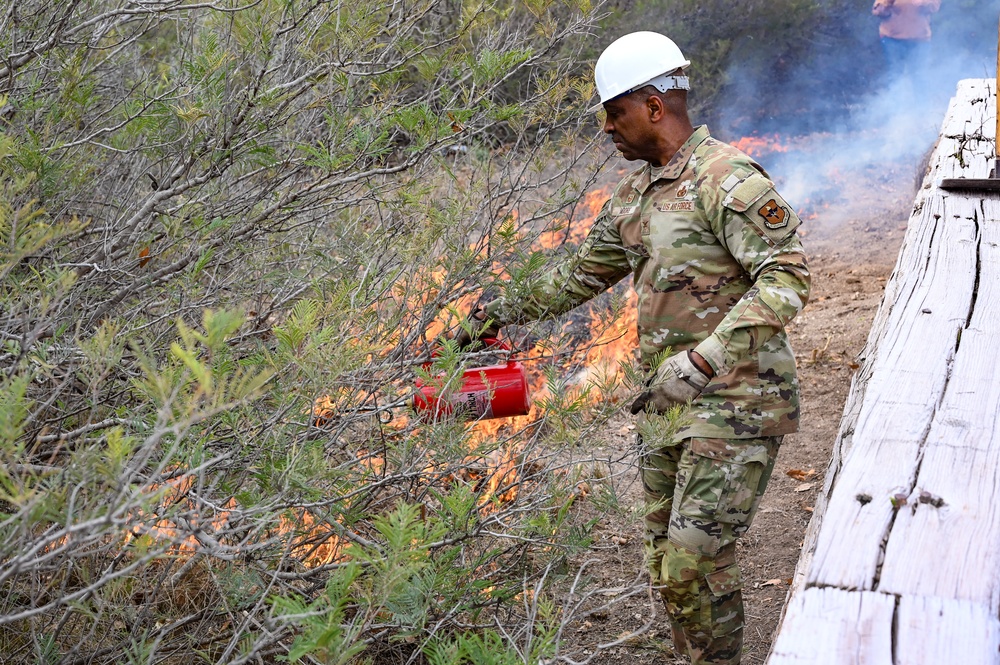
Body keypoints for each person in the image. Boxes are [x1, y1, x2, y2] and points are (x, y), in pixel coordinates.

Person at [455, 32, 810, 665]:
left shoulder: (725, 179)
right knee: (664, 567)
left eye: (613, 113)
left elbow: (787, 277)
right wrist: (494, 314)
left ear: (652, 106)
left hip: (736, 400)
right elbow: (574, 279)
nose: (607, 130)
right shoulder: (634, 198)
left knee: (693, 563)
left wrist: (703, 359)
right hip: (665, 408)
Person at [872, 0, 941, 76]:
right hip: (892, 37)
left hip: (919, 38)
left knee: (919, 74)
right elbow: (878, 11)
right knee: (895, 72)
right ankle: (896, 88)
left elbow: (934, 6)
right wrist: (886, 5)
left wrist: (922, 3)